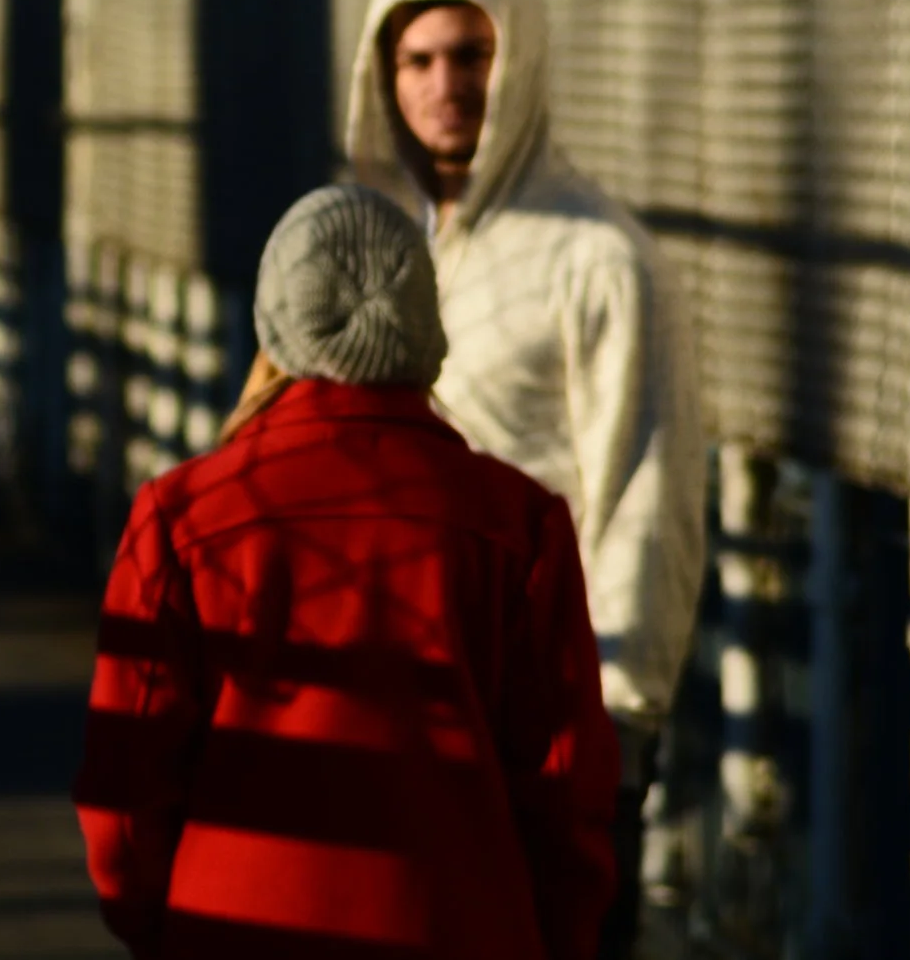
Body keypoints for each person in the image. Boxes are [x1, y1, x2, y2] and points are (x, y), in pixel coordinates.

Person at [74, 184, 622, 960]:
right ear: (425, 329)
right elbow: (567, 792)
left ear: (275, 327)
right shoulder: (518, 524)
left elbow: (126, 792)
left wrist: (157, 922)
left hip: (233, 922)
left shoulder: (184, 518)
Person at [345, 0, 706, 953]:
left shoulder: (596, 255)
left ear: (521, 62)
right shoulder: (380, 246)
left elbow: (644, 481)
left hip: (550, 715)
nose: (444, 84)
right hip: (403, 703)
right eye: (417, 59)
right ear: (383, 74)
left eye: (472, 54)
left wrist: (620, 714)